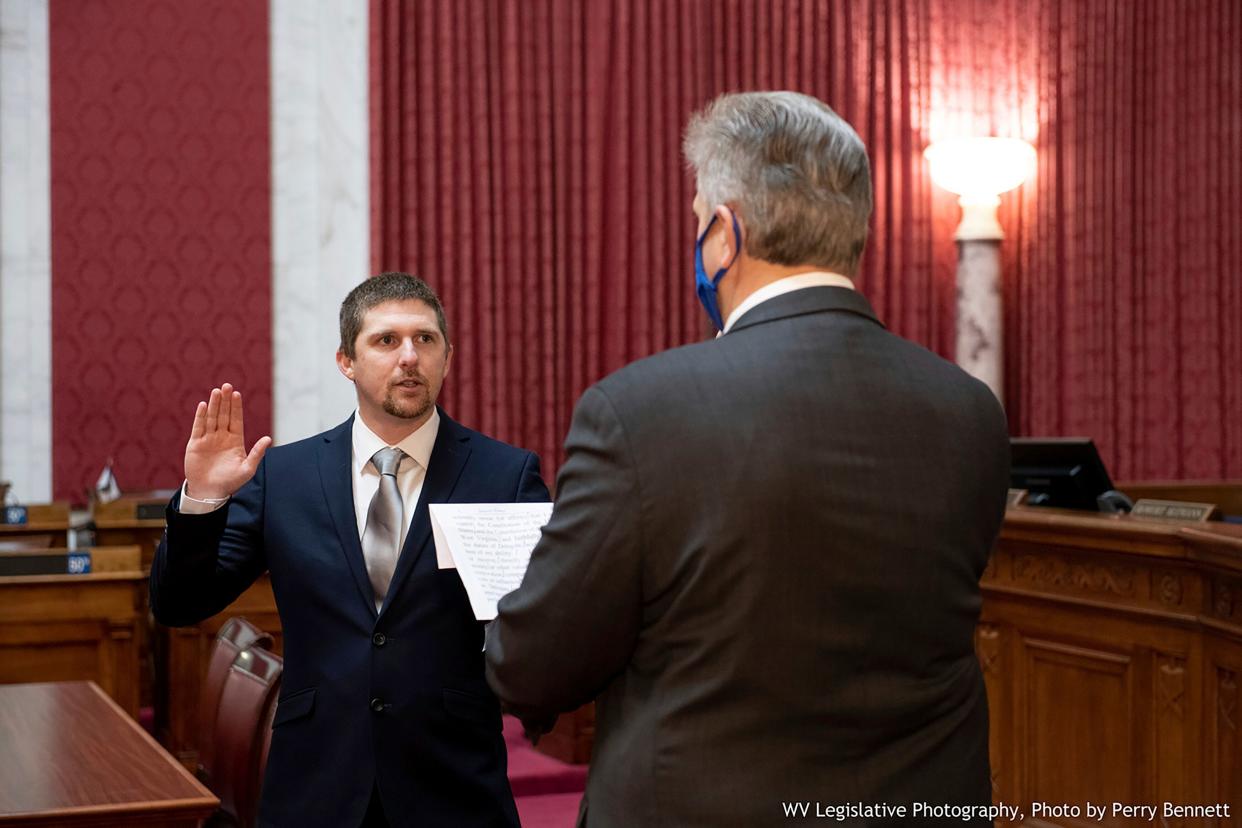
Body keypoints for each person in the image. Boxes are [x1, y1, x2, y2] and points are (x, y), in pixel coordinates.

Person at [484, 91, 1010, 826]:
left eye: (700, 219)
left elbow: (531, 665)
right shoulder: (971, 411)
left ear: (724, 236)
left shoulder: (639, 411)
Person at [151, 272, 548, 827]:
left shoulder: (504, 474)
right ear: (346, 361)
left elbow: (544, 622)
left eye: (425, 340)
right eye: (386, 341)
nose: (409, 356)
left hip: (454, 785)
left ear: (447, 357)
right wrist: (204, 499)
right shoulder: (286, 477)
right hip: (317, 782)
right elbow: (178, 604)